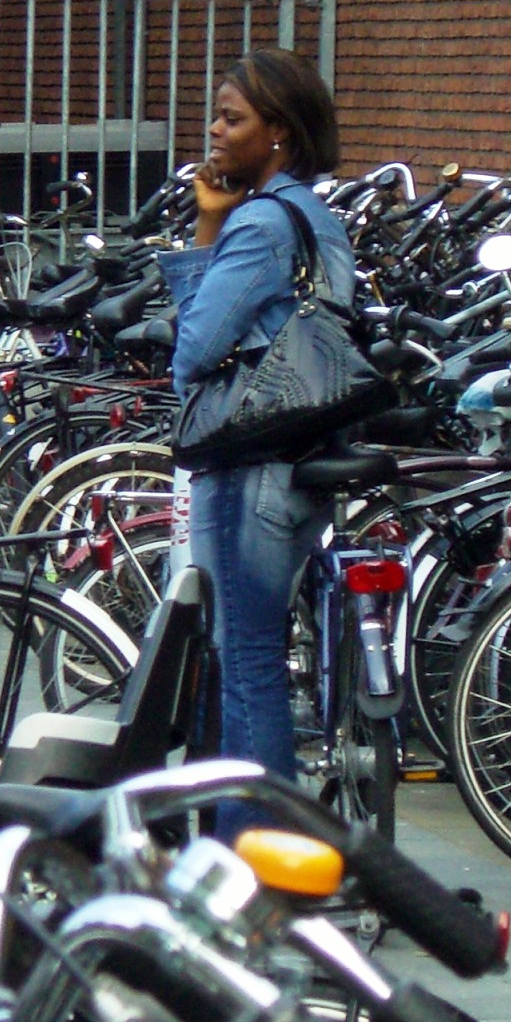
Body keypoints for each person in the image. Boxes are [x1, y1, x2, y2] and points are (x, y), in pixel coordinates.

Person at [156, 47, 355, 842]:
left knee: (247, 669)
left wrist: (210, 231)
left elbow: (195, 349)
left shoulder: (262, 225)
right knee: (255, 660)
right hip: (304, 454)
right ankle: (252, 841)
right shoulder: (316, 216)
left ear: (278, 132)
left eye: (231, 118)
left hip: (248, 463)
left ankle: (257, 860)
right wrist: (213, 216)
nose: (213, 129)